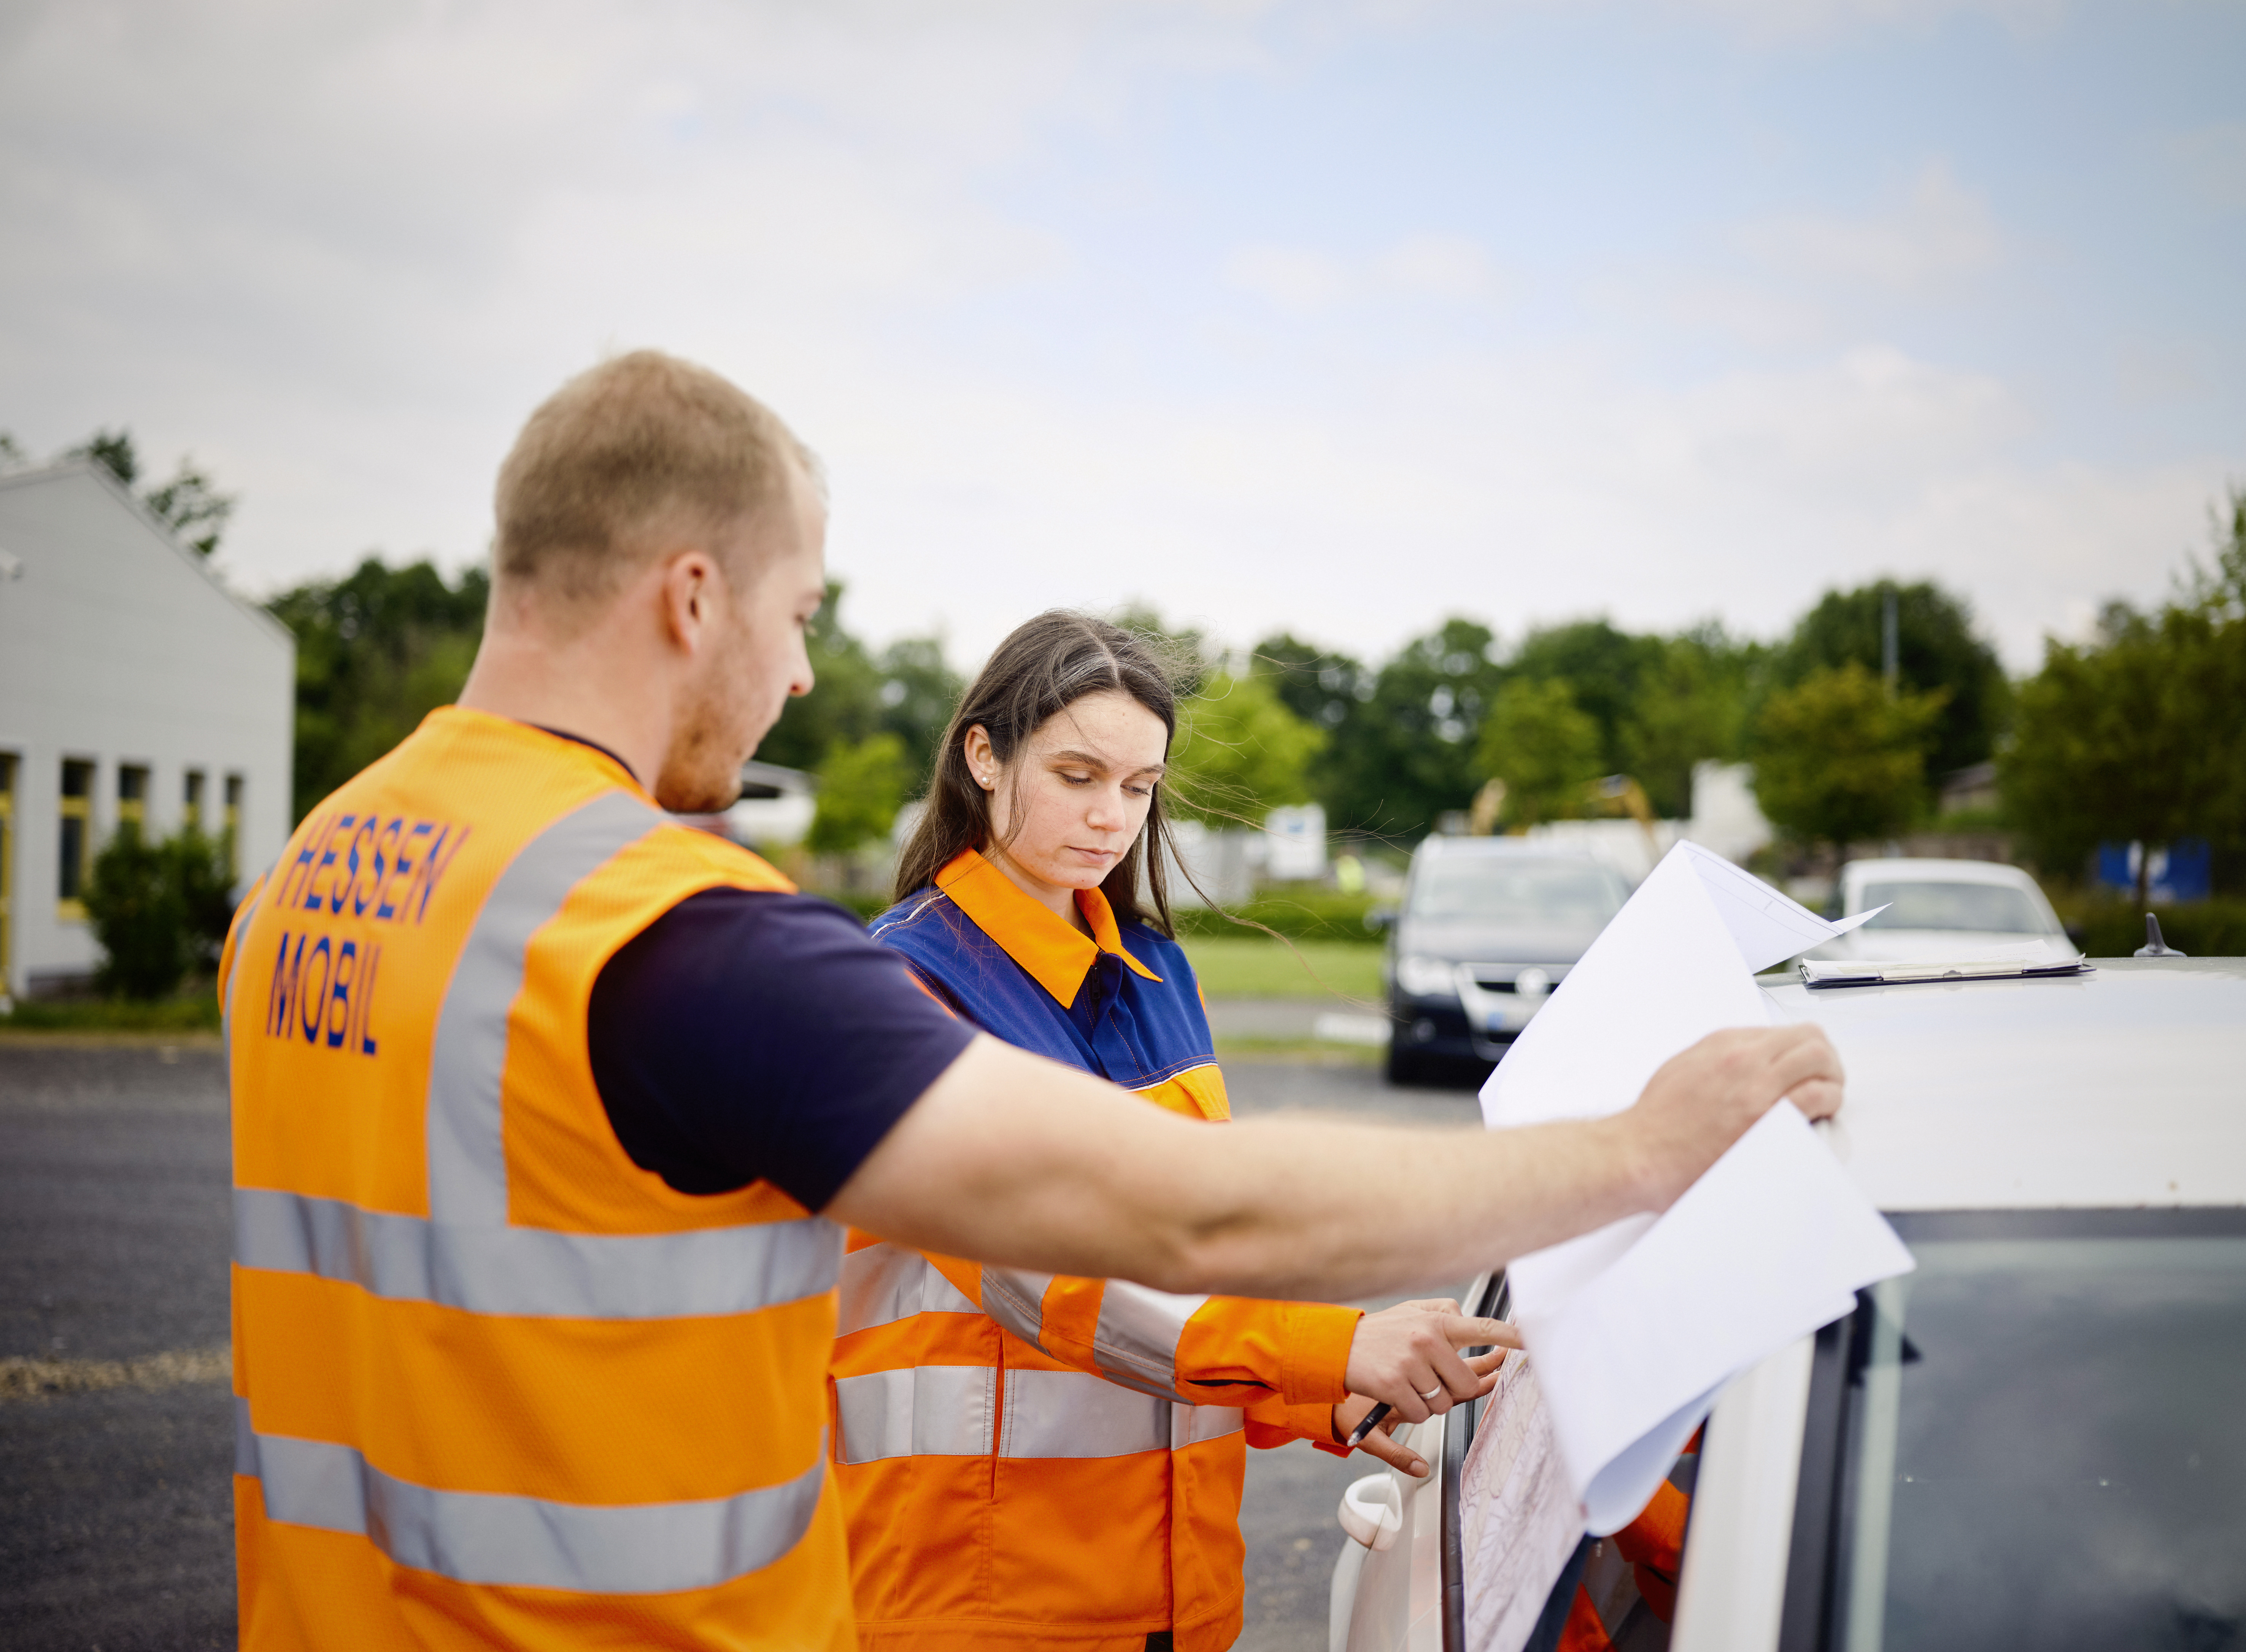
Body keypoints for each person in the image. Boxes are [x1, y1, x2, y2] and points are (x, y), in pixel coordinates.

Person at [221, 349, 1846, 1650]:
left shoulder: (314, 883)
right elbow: (1176, 1222)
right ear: (693, 597)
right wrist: (1639, 1150)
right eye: (798, 619)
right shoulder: (681, 944)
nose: (797, 675)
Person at [841, 610, 1502, 1652]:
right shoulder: (903, 988)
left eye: (1139, 788)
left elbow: (1199, 1251)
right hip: (975, 1592)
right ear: (983, 753)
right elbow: (1047, 1271)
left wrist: (1318, 1395)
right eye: (1076, 776)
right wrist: (1333, 1350)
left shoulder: (1156, 975)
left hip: (1176, 1590)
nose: (1112, 817)